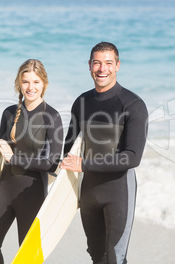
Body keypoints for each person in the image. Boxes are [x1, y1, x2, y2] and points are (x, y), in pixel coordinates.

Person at [60, 42, 148, 264]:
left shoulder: (133, 104)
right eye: (97, 63)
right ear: (89, 66)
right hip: (89, 192)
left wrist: (85, 165)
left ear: (118, 66)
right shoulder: (81, 102)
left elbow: (132, 157)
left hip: (118, 191)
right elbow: (68, 152)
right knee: (96, 256)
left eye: (108, 63)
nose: (102, 69)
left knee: (114, 258)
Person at [0, 59, 63, 264]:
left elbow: (52, 163)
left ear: (44, 83)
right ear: (19, 83)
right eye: (25, 82)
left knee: (28, 256)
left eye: (36, 82)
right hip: (5, 189)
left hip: (32, 192)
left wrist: (14, 158)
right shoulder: (9, 113)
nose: (30, 87)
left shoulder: (51, 117)